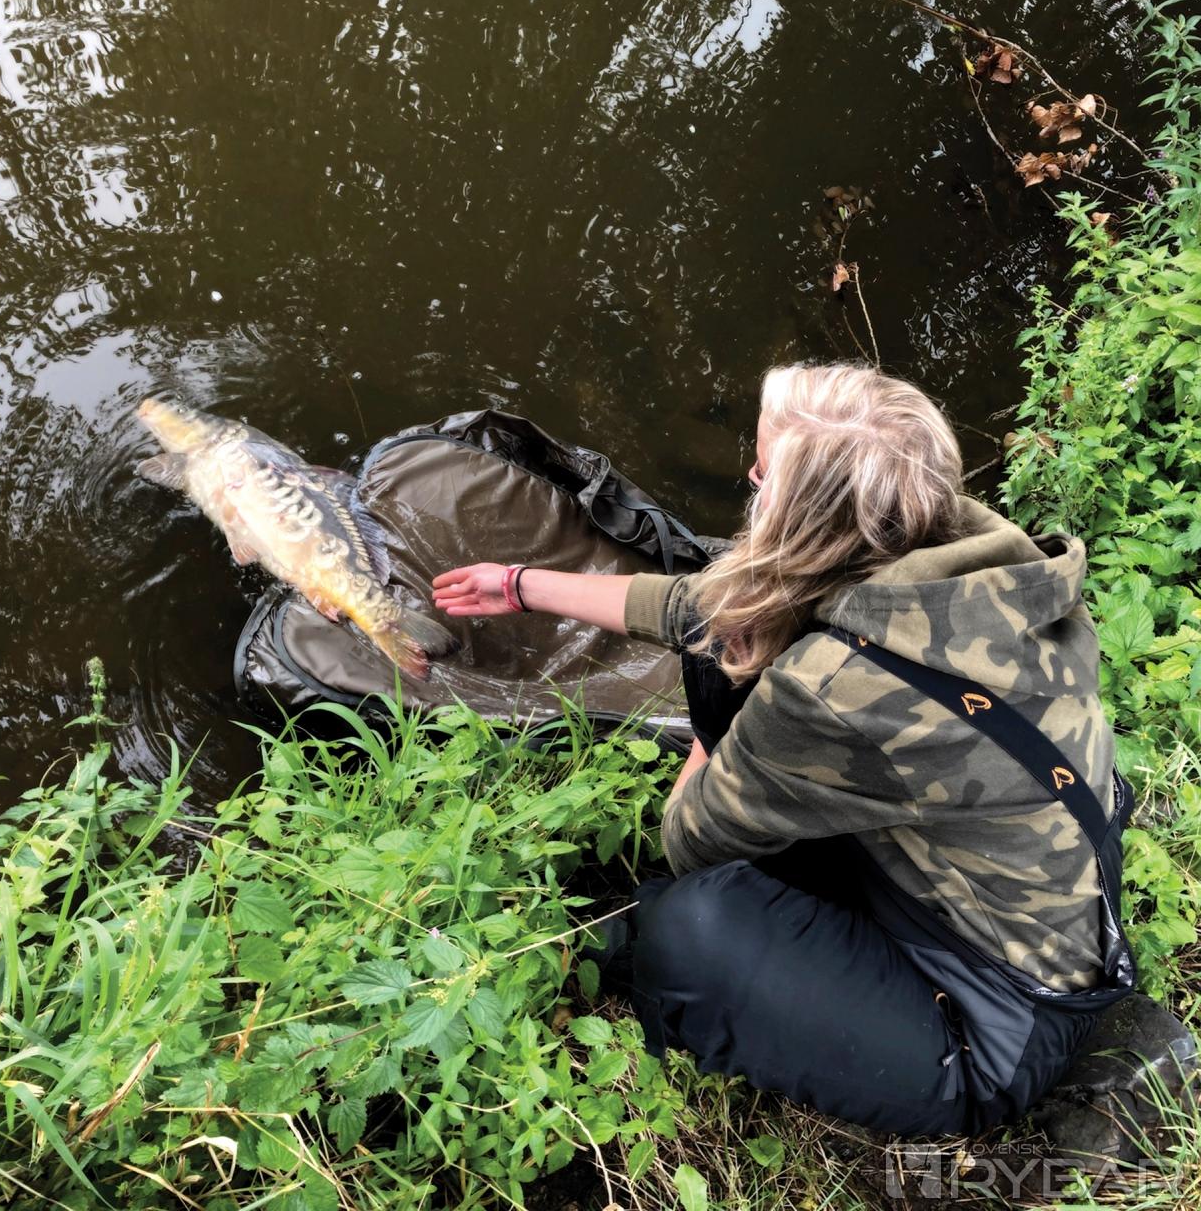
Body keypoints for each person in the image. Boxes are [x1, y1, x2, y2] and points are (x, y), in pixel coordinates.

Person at [431, 363, 1135, 1137]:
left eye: (764, 471)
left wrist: (719, 738)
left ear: (807, 516)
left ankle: (646, 983)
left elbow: (691, 840)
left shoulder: (833, 688)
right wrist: (520, 584)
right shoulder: (971, 554)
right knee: (728, 631)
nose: (749, 476)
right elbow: (704, 603)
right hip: (1030, 892)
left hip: (997, 1021)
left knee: (689, 926)